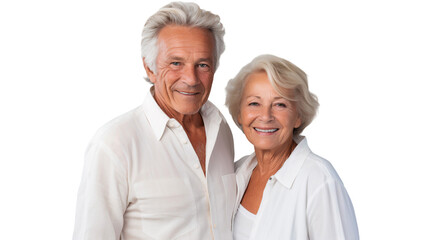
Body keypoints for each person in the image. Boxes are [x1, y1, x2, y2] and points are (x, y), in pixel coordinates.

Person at [73, 2, 236, 240]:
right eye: (176, 63)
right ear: (150, 68)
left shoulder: (220, 129)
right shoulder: (114, 144)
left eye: (202, 65)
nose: (191, 79)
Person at [225, 54, 359, 239]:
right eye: (254, 103)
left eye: (280, 104)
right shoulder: (236, 172)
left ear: (298, 116)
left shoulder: (320, 181)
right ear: (239, 114)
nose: (265, 116)